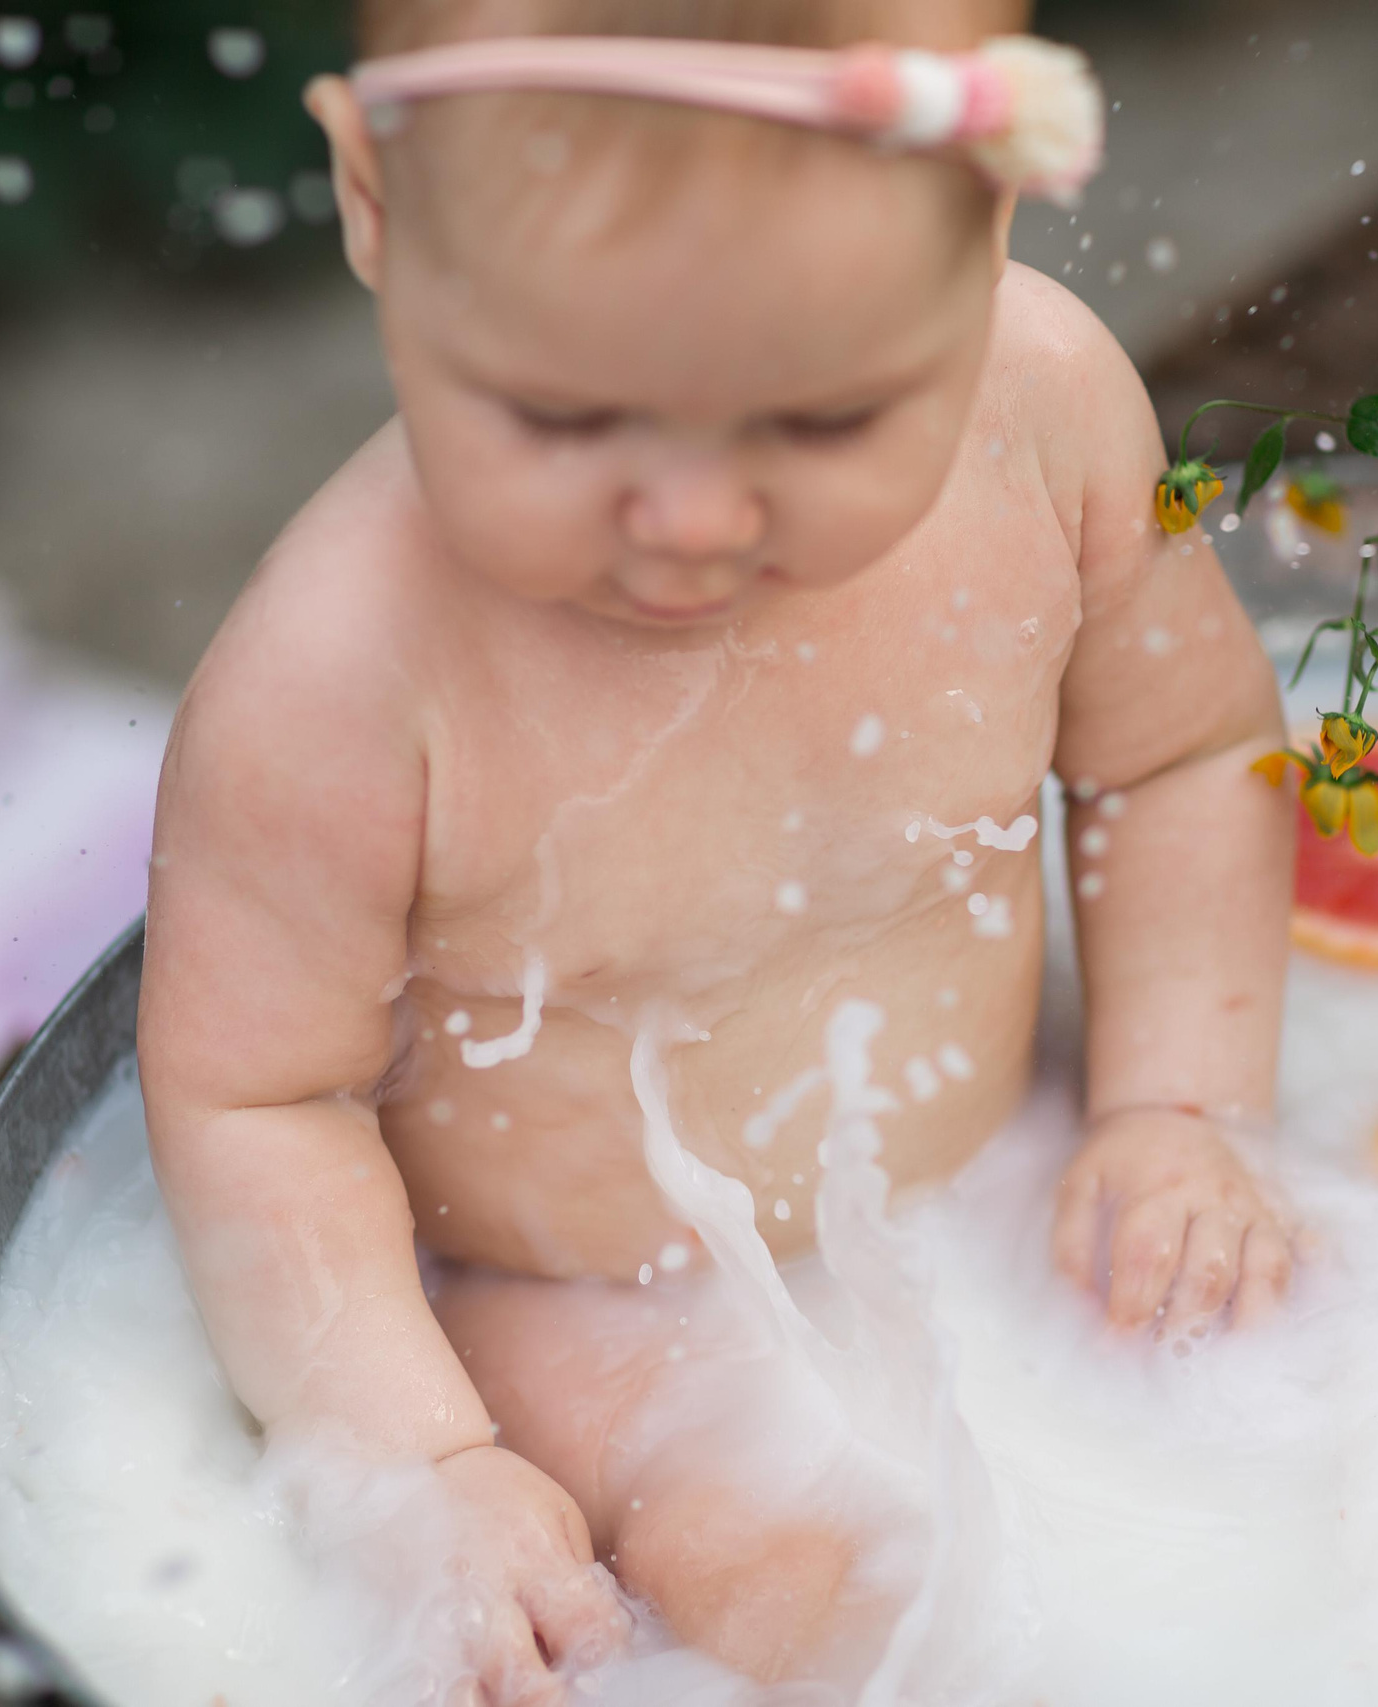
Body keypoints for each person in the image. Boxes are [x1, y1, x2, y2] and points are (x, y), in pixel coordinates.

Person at [138, 0, 1295, 1697]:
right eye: (558, 414)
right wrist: (419, 1469)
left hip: (1022, 1145)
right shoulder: (341, 693)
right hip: (577, 1301)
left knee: (1321, 1425)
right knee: (815, 1599)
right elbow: (259, 1103)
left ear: (986, 221)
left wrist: (1174, 1106)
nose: (690, 520)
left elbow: (1185, 753)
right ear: (377, 200)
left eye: (820, 420)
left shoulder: (1041, 414)